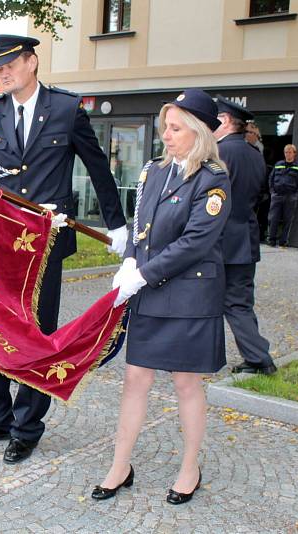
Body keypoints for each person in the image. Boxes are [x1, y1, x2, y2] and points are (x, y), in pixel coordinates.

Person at [0, 34, 128, 464]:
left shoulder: (67, 110)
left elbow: (97, 168)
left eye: (10, 63)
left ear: (32, 62)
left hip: (46, 242)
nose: (2, 71)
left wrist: (119, 226)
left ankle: (26, 426)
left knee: (35, 331)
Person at [93, 89, 231, 505]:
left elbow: (194, 243)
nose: (166, 136)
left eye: (175, 128)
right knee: (135, 380)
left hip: (191, 298)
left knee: (187, 383)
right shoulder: (154, 172)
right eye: (164, 128)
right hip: (151, 295)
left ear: (199, 132)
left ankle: (190, 467)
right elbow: (141, 229)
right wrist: (129, 261)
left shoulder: (213, 181)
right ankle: (121, 464)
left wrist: (142, 275)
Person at [213, 98, 277, 376]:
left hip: (221, 240)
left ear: (225, 120)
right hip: (245, 237)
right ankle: (256, 353)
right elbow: (261, 194)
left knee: (225, 302)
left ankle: (259, 358)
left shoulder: (219, 152)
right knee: (240, 301)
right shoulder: (254, 153)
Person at [267, 144, 298, 247]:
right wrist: (272, 192)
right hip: (277, 195)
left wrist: (296, 195)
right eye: (286, 152)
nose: (287, 154)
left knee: (288, 219)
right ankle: (271, 240)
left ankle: (283, 241)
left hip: (290, 197)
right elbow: (271, 178)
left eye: (290, 152)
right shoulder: (278, 164)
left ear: (294, 154)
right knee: (273, 218)